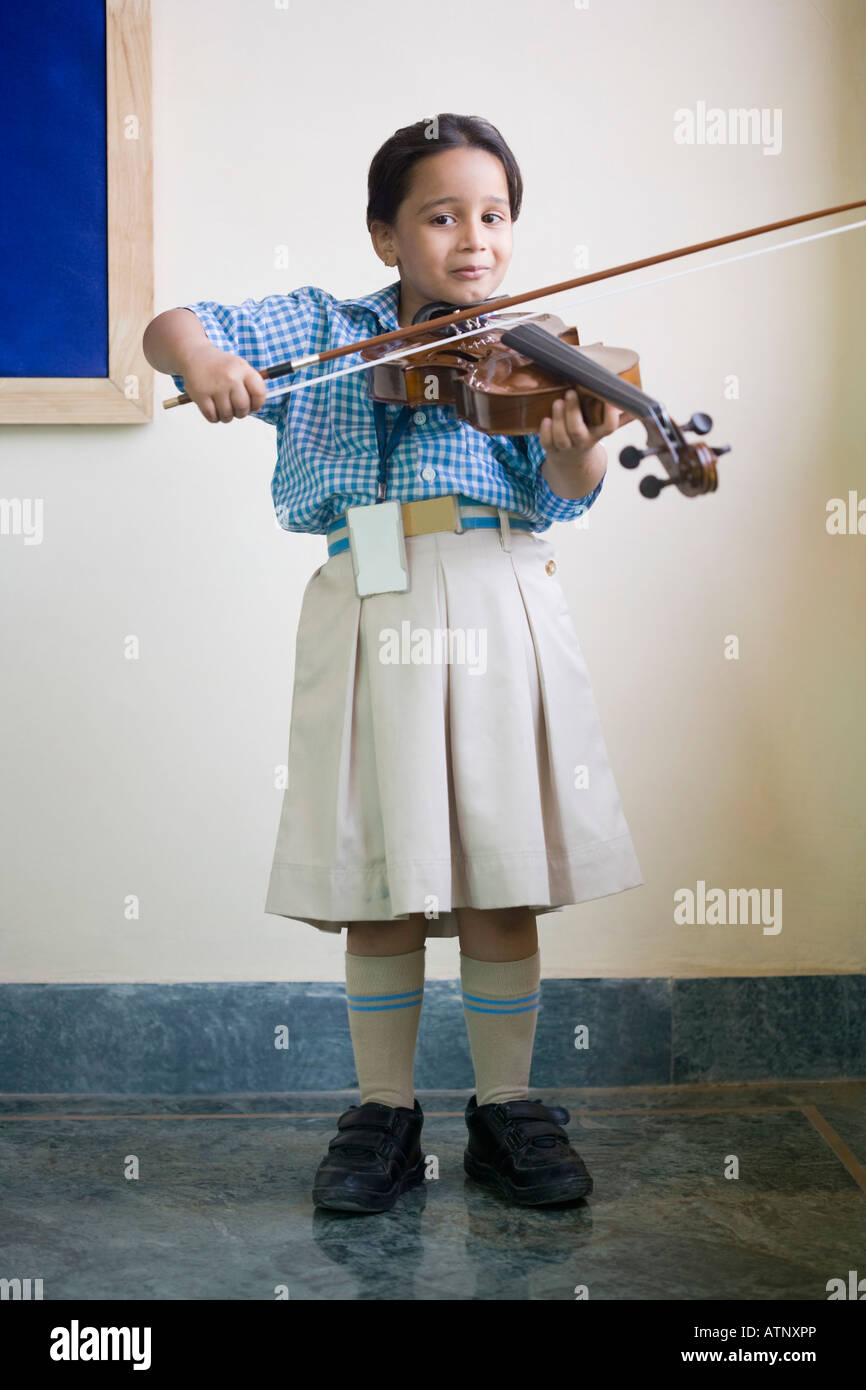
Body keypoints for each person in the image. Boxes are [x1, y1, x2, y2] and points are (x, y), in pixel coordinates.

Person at [142, 112, 643, 1216]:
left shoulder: (533, 350)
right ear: (384, 236)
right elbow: (170, 324)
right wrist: (210, 363)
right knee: (381, 870)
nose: (476, 238)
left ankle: (508, 1106)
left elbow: (569, 487)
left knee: (500, 870)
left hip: (497, 591)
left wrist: (576, 449)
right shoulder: (321, 324)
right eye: (442, 214)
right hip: (364, 595)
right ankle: (382, 1112)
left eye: (495, 215)